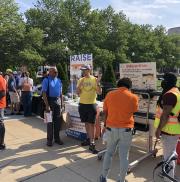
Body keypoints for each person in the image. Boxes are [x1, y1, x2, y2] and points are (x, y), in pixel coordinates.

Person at [99, 78, 138, 182]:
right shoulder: (133, 97)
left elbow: (105, 112)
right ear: (129, 86)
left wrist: (104, 126)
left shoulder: (109, 95)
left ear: (118, 85)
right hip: (126, 129)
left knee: (109, 153)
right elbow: (134, 110)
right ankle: (121, 179)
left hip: (111, 128)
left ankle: (103, 176)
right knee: (124, 156)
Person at [154, 72, 180, 182]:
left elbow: (165, 115)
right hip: (174, 130)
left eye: (164, 79)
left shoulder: (170, 95)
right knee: (171, 155)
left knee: (168, 158)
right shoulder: (176, 91)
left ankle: (168, 179)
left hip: (168, 131)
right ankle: (171, 177)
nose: (162, 81)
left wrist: (159, 129)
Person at [77, 65, 102, 154]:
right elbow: (78, 93)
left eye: (85, 70)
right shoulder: (81, 80)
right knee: (86, 123)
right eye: (82, 70)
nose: (83, 72)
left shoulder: (94, 79)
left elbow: (99, 92)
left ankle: (92, 143)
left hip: (91, 105)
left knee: (91, 124)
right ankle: (88, 138)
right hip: (82, 104)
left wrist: (98, 83)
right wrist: (79, 85)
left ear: (89, 70)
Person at [42, 67, 63, 147]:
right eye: (54, 72)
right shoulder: (46, 80)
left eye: (56, 72)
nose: (56, 73)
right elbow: (44, 93)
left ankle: (57, 138)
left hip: (57, 101)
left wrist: (62, 104)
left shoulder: (59, 80)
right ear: (50, 72)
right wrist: (47, 105)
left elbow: (60, 93)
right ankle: (49, 140)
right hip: (49, 101)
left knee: (57, 121)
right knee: (49, 122)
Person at [0, 73, 6, 150]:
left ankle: (1, 143)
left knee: (0, 123)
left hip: (0, 105)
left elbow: (3, 93)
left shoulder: (0, 78)